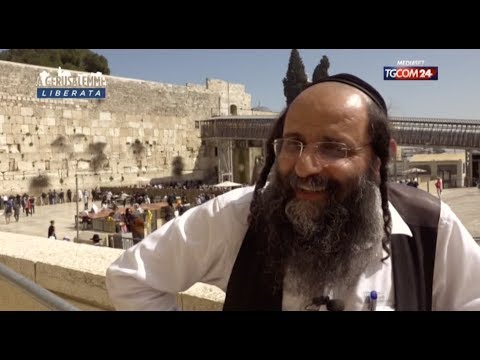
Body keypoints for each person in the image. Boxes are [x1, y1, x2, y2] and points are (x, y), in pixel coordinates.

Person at [106, 73, 480, 311]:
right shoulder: (238, 217)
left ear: (382, 158)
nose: (304, 167)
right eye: (293, 144)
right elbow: (132, 278)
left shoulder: (430, 229)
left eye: (333, 148)